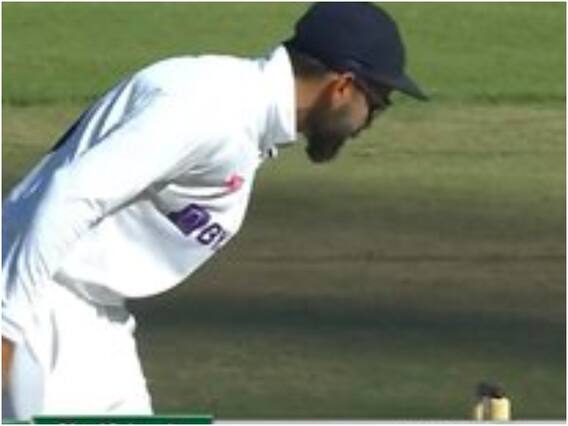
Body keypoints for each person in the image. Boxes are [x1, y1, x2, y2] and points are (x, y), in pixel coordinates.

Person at [2, 2, 427, 419]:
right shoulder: (213, 110)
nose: (369, 121)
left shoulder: (240, 113)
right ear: (342, 87)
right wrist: (7, 327)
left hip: (88, 313)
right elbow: (70, 196)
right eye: (377, 103)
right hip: (35, 293)